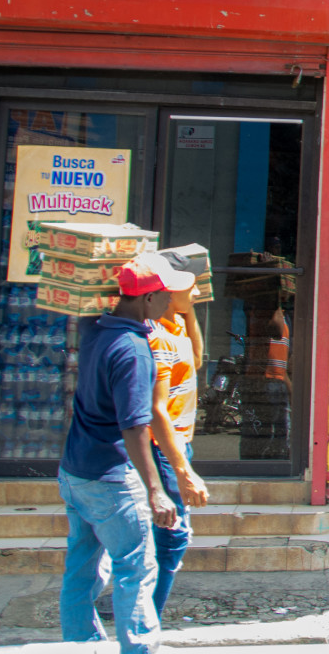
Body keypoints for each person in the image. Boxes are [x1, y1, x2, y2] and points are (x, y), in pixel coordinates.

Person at [59, 256, 181, 654]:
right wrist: (155, 490)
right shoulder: (133, 351)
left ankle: (80, 646)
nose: (171, 300)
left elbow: (89, 300)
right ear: (148, 298)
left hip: (75, 472)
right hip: (110, 479)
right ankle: (139, 648)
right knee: (136, 568)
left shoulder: (93, 328)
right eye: (165, 294)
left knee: (81, 569)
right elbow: (134, 427)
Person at [144, 250, 209, 617]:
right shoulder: (156, 338)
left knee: (166, 534)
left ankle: (141, 609)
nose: (197, 293)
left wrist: (187, 311)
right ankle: (145, 618)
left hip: (180, 443)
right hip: (164, 447)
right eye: (191, 288)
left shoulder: (175, 326)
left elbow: (197, 359)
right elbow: (156, 412)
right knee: (172, 536)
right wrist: (183, 470)